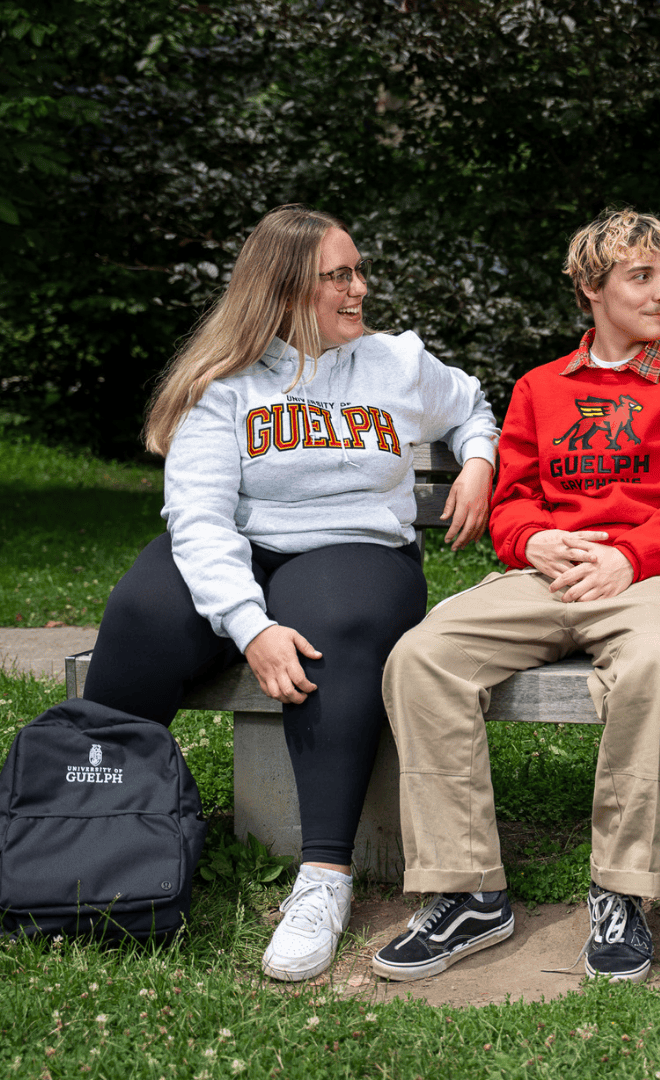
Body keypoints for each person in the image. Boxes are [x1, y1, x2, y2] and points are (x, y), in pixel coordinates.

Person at [82, 204, 500, 981]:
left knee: (335, 623)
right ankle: (93, 821)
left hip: (354, 548)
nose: (359, 288)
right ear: (280, 292)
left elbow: (472, 404)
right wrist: (248, 624)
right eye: (336, 276)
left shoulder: (396, 362)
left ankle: (324, 877)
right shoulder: (225, 383)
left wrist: (476, 459)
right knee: (143, 611)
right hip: (246, 546)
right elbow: (198, 518)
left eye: (357, 270)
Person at [371, 208, 660, 985]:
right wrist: (532, 540)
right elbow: (514, 499)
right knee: (422, 656)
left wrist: (633, 554)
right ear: (591, 288)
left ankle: (620, 890)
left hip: (654, 581)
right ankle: (466, 890)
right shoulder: (541, 388)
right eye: (642, 277)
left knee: (654, 665)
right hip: (550, 579)